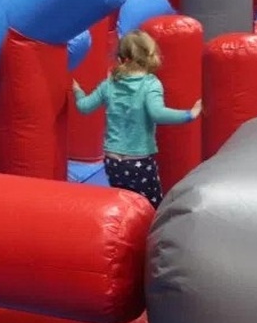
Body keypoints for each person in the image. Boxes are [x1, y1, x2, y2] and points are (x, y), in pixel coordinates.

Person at [72, 30, 201, 209]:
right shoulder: (150, 84)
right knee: (150, 206)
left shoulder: (109, 84)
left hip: (113, 161)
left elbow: (84, 107)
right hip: (138, 161)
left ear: (120, 59)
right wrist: (190, 114)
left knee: (126, 206)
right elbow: (158, 113)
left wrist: (77, 91)